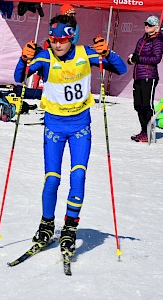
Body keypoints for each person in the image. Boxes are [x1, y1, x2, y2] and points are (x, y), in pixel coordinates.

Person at [14, 15, 126, 259]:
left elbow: (121, 69)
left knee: (78, 175)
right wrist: (24, 59)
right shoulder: (45, 57)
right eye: (53, 39)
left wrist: (107, 54)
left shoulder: (86, 53)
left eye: (63, 39)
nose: (58, 44)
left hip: (80, 128)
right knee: (52, 179)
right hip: (54, 127)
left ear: (72, 36)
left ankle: (70, 226)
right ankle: (46, 224)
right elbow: (18, 77)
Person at [127, 15, 163, 142]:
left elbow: (156, 59)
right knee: (138, 105)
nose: (146, 26)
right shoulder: (142, 39)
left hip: (149, 76)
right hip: (138, 75)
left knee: (147, 105)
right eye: (145, 24)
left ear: (156, 27)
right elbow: (137, 55)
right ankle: (144, 131)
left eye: (149, 24)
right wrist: (132, 59)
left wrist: (139, 59)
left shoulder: (157, 41)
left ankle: (149, 132)